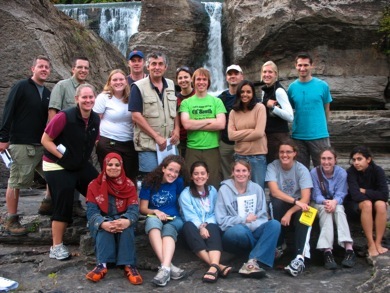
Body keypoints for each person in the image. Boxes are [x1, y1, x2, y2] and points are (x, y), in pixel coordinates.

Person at [41, 84, 100, 260]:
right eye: (84, 97)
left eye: (91, 97)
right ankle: (56, 246)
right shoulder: (63, 117)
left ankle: (95, 222)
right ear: (77, 99)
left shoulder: (95, 119)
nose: (88, 100)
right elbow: (45, 139)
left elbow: (92, 142)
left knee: (99, 187)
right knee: (65, 196)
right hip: (56, 164)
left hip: (77, 163)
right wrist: (62, 156)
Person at [0, 55, 51, 236]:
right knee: (16, 181)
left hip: (41, 145)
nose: (43, 69)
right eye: (40, 66)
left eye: (46, 67)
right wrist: (3, 137)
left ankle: (47, 204)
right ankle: (11, 219)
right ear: (33, 69)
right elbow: (9, 109)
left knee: (53, 175)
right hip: (22, 143)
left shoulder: (47, 93)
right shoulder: (21, 87)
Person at [39, 56, 91, 217]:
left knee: (79, 171)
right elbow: (53, 110)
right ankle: (54, 203)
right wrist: (55, 137)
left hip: (81, 141)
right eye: (80, 67)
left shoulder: (88, 89)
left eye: (86, 68)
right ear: (72, 69)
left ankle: (75, 204)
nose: (83, 70)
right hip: (63, 139)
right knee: (65, 171)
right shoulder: (62, 86)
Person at [215, 160, 281, 278]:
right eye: (238, 171)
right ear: (233, 173)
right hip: (233, 234)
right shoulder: (223, 190)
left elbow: (263, 216)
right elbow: (221, 221)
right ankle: (264, 250)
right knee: (240, 230)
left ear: (249, 173)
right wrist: (244, 220)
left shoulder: (257, 189)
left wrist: (251, 224)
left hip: (254, 230)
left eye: (244, 171)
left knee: (274, 224)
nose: (241, 174)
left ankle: (252, 262)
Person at [85, 153, 142, 285]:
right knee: (104, 230)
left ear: (122, 166)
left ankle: (129, 265)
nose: (113, 167)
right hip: (102, 218)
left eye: (117, 165)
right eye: (110, 164)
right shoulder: (94, 185)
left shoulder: (129, 184)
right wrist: (103, 223)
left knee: (127, 229)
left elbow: (134, 209)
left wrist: (127, 220)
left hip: (123, 217)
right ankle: (102, 265)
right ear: (105, 166)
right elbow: (91, 212)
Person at [265, 139, 312, 277]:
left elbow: (306, 198)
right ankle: (279, 245)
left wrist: (291, 211)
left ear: (294, 153)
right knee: (275, 203)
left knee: (307, 213)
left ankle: (300, 257)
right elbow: (274, 192)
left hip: (299, 205)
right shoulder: (273, 166)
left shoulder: (301, 169)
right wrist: (294, 202)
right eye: (282, 152)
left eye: (288, 152)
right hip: (284, 202)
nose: (285, 155)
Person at [139, 155, 188, 287]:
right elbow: (143, 208)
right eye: (170, 170)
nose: (173, 174)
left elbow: (182, 201)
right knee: (152, 223)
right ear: (163, 168)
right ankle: (168, 267)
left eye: (176, 172)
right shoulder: (149, 182)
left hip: (174, 217)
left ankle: (164, 269)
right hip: (155, 215)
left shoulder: (178, 182)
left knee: (168, 230)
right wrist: (155, 211)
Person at [179, 161, 232, 283]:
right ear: (191, 176)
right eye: (196, 174)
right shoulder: (185, 194)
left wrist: (206, 224)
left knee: (213, 225)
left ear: (207, 175)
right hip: (193, 233)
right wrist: (200, 227)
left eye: (202, 173)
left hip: (210, 230)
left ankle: (213, 267)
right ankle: (217, 265)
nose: (199, 176)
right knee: (188, 226)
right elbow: (189, 216)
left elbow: (216, 211)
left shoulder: (213, 191)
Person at [128, 51, 180, 175]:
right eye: (154, 64)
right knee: (151, 180)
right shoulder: (138, 87)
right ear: (148, 66)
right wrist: (156, 137)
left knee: (171, 178)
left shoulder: (171, 85)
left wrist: (177, 129)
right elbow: (135, 115)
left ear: (165, 67)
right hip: (148, 145)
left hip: (169, 143)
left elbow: (175, 110)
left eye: (160, 64)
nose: (157, 67)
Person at [179, 68, 226, 188]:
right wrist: (210, 120)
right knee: (191, 182)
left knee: (213, 182)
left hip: (212, 148)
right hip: (192, 148)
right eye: (198, 79)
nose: (201, 82)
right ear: (193, 82)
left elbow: (221, 124)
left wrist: (196, 123)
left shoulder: (217, 101)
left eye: (204, 79)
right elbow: (187, 125)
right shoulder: (186, 102)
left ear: (208, 82)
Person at [310, 148, 356, 269]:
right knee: (326, 211)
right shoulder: (315, 172)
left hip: (336, 202)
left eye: (329, 158)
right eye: (323, 159)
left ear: (335, 160)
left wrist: (334, 202)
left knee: (339, 210)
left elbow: (341, 193)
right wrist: (326, 202)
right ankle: (327, 251)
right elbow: (316, 194)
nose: (326, 162)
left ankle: (349, 249)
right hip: (319, 202)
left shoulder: (341, 173)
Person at [287, 52, 332, 169]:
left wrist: (322, 127)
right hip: (299, 136)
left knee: (324, 169)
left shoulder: (323, 86)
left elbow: (326, 108)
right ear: (295, 66)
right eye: (300, 65)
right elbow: (289, 111)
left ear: (312, 65)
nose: (302, 68)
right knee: (301, 171)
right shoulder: (292, 88)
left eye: (306, 65)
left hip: (319, 135)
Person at [94, 69, 138, 184]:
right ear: (109, 82)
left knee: (130, 175)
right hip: (108, 141)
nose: (118, 82)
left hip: (128, 142)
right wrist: (96, 140)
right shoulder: (103, 97)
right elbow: (94, 120)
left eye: (121, 79)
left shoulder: (132, 97)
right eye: (115, 80)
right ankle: (107, 200)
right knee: (111, 175)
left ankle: (128, 200)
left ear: (126, 81)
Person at [346, 145, 389, 257]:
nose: (356, 162)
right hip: (354, 206)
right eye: (354, 160)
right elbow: (355, 195)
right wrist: (373, 195)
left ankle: (378, 242)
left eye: (359, 159)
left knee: (381, 204)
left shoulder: (377, 171)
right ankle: (371, 244)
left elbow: (384, 195)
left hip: (373, 204)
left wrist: (365, 191)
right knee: (367, 204)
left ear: (368, 159)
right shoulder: (351, 172)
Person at [228, 80, 267, 190]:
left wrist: (239, 135)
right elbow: (231, 136)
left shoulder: (260, 108)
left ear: (253, 93)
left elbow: (259, 133)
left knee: (258, 189)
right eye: (242, 92)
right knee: (241, 190)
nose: (245, 94)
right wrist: (251, 131)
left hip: (257, 157)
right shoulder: (233, 112)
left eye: (248, 92)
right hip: (240, 156)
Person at [261, 61, 294, 163]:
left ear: (276, 74)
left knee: (277, 167)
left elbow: (290, 117)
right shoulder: (265, 90)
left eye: (270, 72)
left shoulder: (279, 91)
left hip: (279, 137)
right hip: (267, 135)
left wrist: (273, 108)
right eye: (264, 72)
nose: (267, 75)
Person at [218, 65, 244, 180]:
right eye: (230, 74)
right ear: (226, 77)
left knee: (244, 170)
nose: (233, 76)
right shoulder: (220, 98)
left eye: (236, 73)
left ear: (241, 76)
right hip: (226, 142)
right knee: (226, 173)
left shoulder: (247, 95)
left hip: (244, 142)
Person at [176, 66, 195, 158]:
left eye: (186, 77)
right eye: (180, 78)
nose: (183, 80)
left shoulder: (199, 96)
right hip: (182, 140)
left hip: (197, 138)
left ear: (192, 79)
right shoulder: (175, 99)